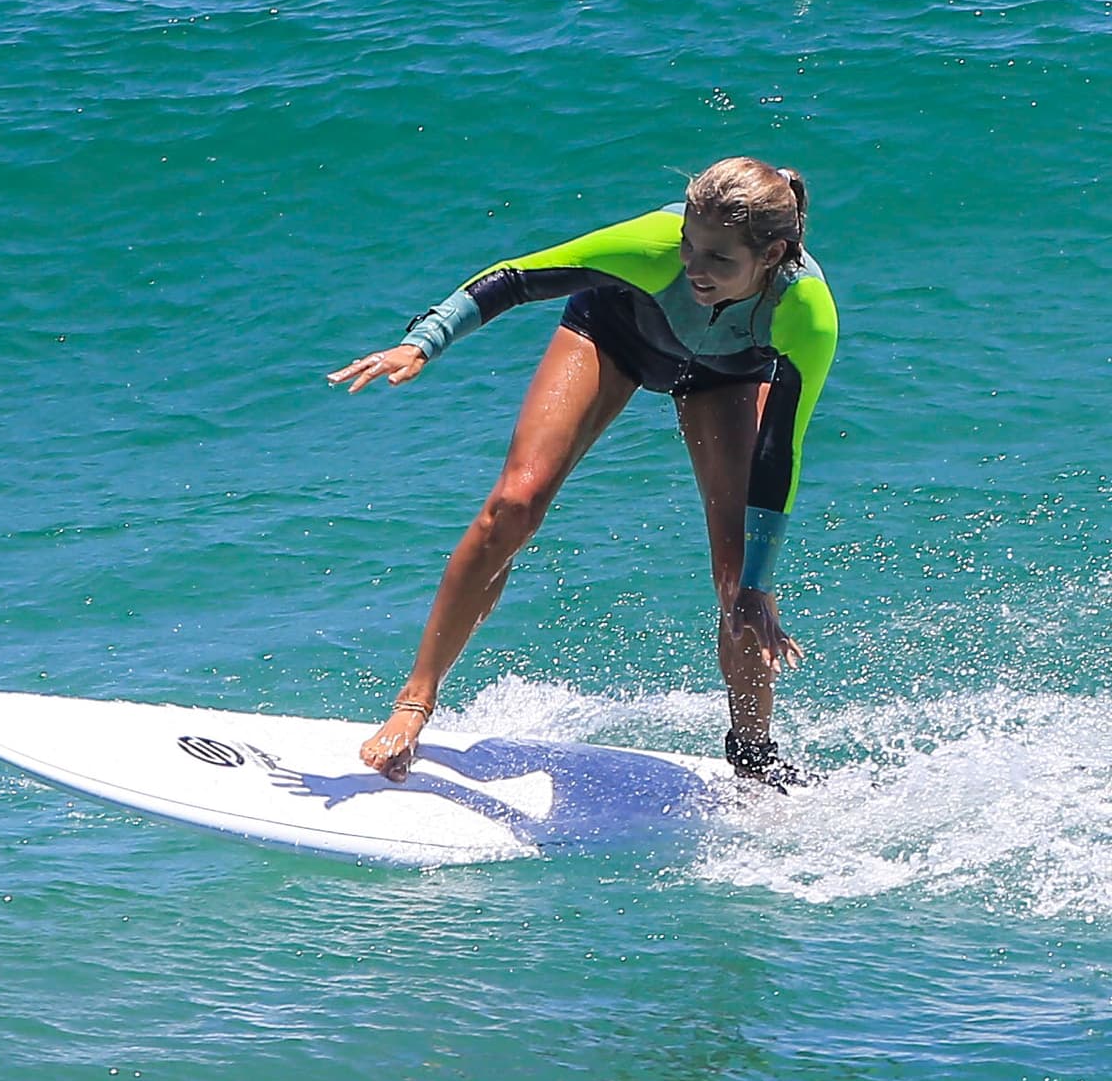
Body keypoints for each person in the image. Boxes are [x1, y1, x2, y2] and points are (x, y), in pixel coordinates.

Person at [329, 156, 838, 789]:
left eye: (718, 260)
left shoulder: (806, 312)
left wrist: (760, 585)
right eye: (689, 246)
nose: (694, 269)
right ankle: (414, 702)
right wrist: (423, 341)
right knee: (515, 503)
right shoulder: (653, 247)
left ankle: (754, 753)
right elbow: (515, 278)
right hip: (616, 335)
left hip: (727, 375)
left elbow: (777, 454)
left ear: (773, 254)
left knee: (742, 582)